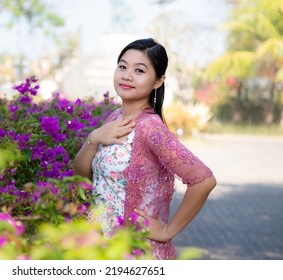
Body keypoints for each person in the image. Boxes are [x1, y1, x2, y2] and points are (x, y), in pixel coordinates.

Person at [72, 38, 217, 260]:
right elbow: (82, 176)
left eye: (139, 70)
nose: (127, 75)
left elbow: (203, 180)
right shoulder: (116, 118)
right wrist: (94, 138)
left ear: (158, 81)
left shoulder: (151, 129)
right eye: (122, 66)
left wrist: (168, 230)